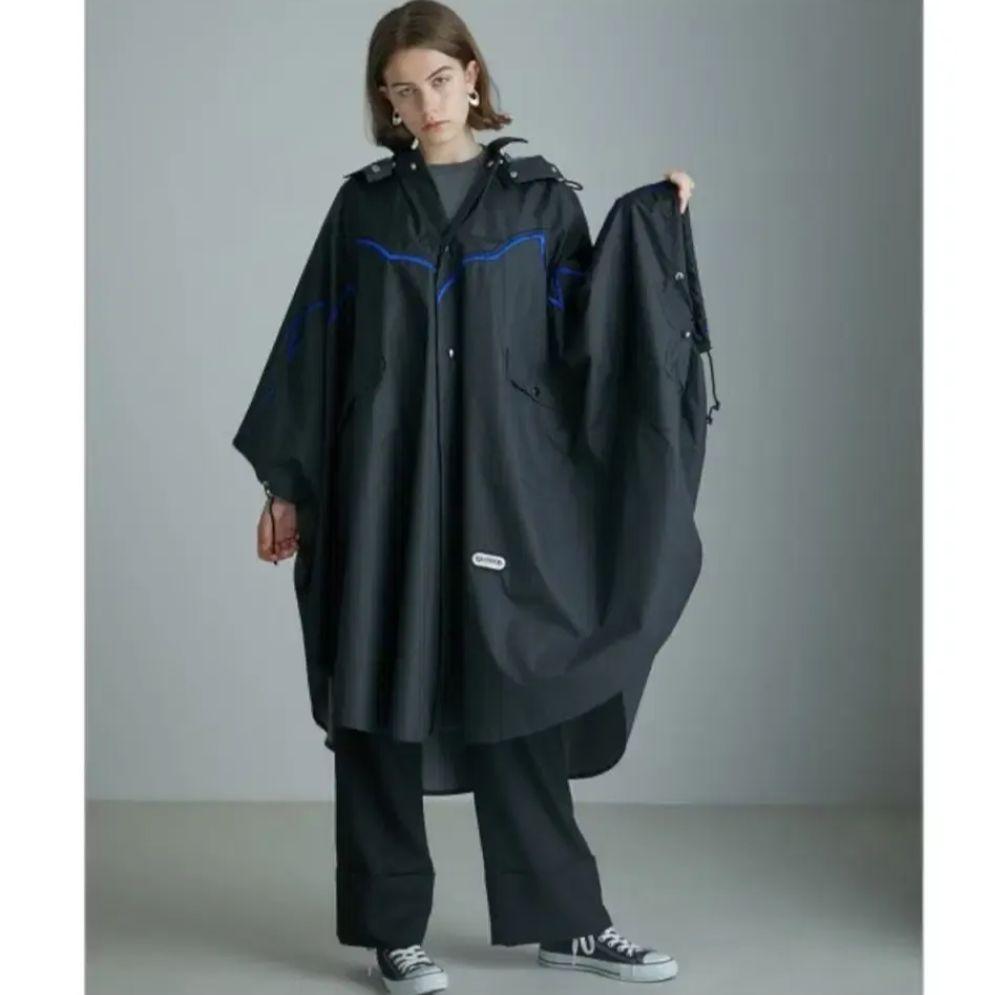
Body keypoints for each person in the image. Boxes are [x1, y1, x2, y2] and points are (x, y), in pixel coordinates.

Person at [236, 2, 715, 991]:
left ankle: (567, 921)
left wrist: (654, 226)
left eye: (440, 80)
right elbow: (315, 345)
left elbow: (592, 335)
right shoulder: (365, 210)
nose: (426, 103)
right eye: (402, 90)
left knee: (520, 685)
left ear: (473, 78)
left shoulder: (539, 203)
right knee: (379, 692)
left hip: (509, 491)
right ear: (387, 103)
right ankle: (393, 933)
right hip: (383, 492)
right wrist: (288, 482)